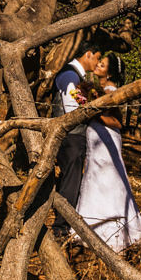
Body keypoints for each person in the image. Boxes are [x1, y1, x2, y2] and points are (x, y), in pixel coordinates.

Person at [74, 52, 141, 252]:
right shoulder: (99, 88)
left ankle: (112, 228)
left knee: (107, 177)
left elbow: (116, 121)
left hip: (105, 139)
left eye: (103, 64)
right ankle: (89, 224)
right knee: (93, 176)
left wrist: (90, 110)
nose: (98, 64)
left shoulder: (111, 90)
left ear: (110, 71)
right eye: (99, 61)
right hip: (96, 137)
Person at [51, 42, 104, 236]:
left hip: (74, 135)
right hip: (71, 136)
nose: (97, 62)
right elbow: (71, 106)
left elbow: (77, 99)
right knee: (71, 180)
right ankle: (61, 226)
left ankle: (64, 221)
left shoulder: (75, 75)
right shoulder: (70, 75)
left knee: (71, 178)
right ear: (88, 54)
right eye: (97, 58)